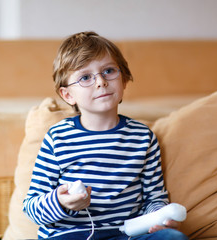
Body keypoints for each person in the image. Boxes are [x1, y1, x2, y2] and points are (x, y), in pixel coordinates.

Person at [23, 31, 189, 240]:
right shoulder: (58, 138)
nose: (100, 82)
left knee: (174, 238)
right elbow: (31, 207)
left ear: (124, 80)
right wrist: (60, 202)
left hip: (126, 234)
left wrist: (160, 218)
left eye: (108, 71)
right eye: (85, 77)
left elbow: (154, 198)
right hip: (69, 235)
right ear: (68, 95)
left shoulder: (143, 138)